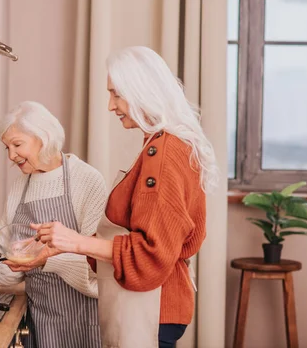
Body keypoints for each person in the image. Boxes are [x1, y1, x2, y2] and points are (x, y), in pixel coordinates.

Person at [33, 46, 219, 348]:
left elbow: (150, 254)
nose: (110, 106)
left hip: (150, 307)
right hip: (154, 306)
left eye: (116, 94)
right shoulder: (162, 145)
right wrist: (60, 247)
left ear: (142, 91)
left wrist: (75, 241)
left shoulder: (165, 152)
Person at [0, 101, 107, 348]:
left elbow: (97, 265)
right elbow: (6, 255)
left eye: (17, 145)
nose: (11, 156)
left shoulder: (87, 181)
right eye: (6, 147)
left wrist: (46, 259)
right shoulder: (20, 186)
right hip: (40, 316)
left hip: (83, 317)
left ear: (43, 138)